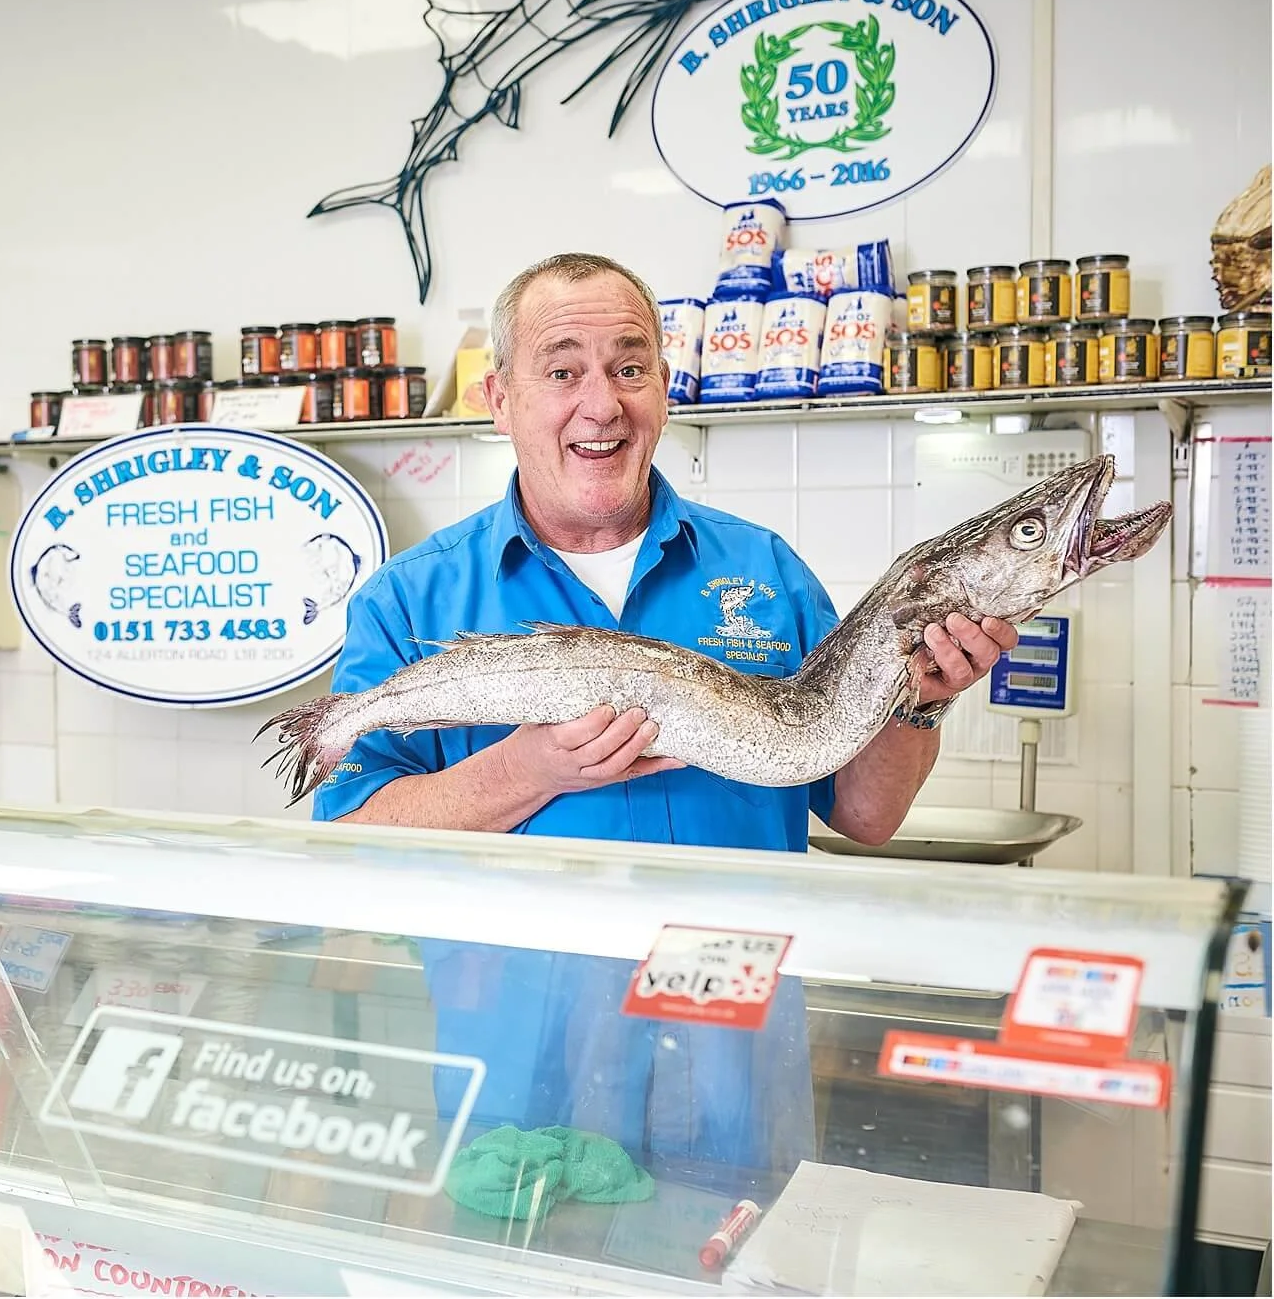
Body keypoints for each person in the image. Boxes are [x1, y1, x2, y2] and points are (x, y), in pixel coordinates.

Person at [310, 252, 1020, 1182]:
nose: (601, 404)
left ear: (666, 389)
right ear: (501, 398)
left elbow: (865, 816)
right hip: (526, 1072)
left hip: (731, 1056)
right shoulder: (413, 599)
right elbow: (350, 836)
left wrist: (920, 706)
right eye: (562, 370)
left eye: (630, 367)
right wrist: (528, 773)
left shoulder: (763, 571)